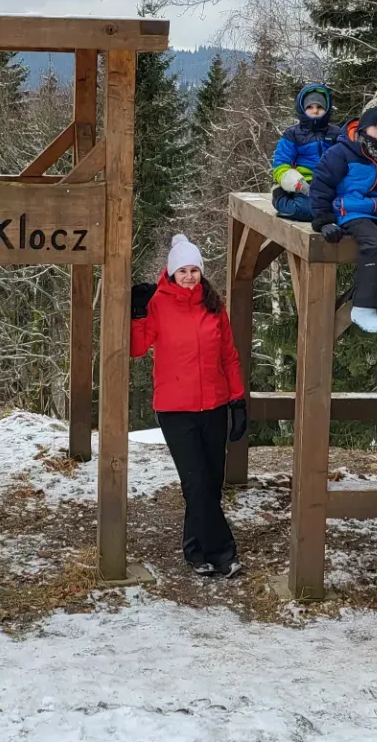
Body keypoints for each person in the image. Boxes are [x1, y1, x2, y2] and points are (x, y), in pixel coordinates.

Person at [130, 235, 247, 578]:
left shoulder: (213, 304)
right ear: (172, 271)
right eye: (183, 270)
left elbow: (229, 355)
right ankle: (224, 552)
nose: (190, 276)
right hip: (175, 409)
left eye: (195, 269)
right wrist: (137, 313)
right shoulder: (157, 303)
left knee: (210, 483)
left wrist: (237, 400)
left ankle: (195, 551)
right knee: (196, 484)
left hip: (214, 405)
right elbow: (137, 348)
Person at [310, 105, 377, 335]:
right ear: (364, 128)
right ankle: (363, 307)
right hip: (348, 209)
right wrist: (324, 221)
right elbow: (321, 183)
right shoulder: (343, 152)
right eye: (376, 127)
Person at [270, 84, 335, 221]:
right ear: (302, 109)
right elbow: (281, 164)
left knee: (342, 211)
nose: (315, 111)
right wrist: (297, 183)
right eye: (310, 107)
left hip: (330, 185)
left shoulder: (336, 133)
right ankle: (280, 198)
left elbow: (347, 158)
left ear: (327, 108)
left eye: (320, 107)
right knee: (308, 211)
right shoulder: (293, 134)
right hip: (305, 185)